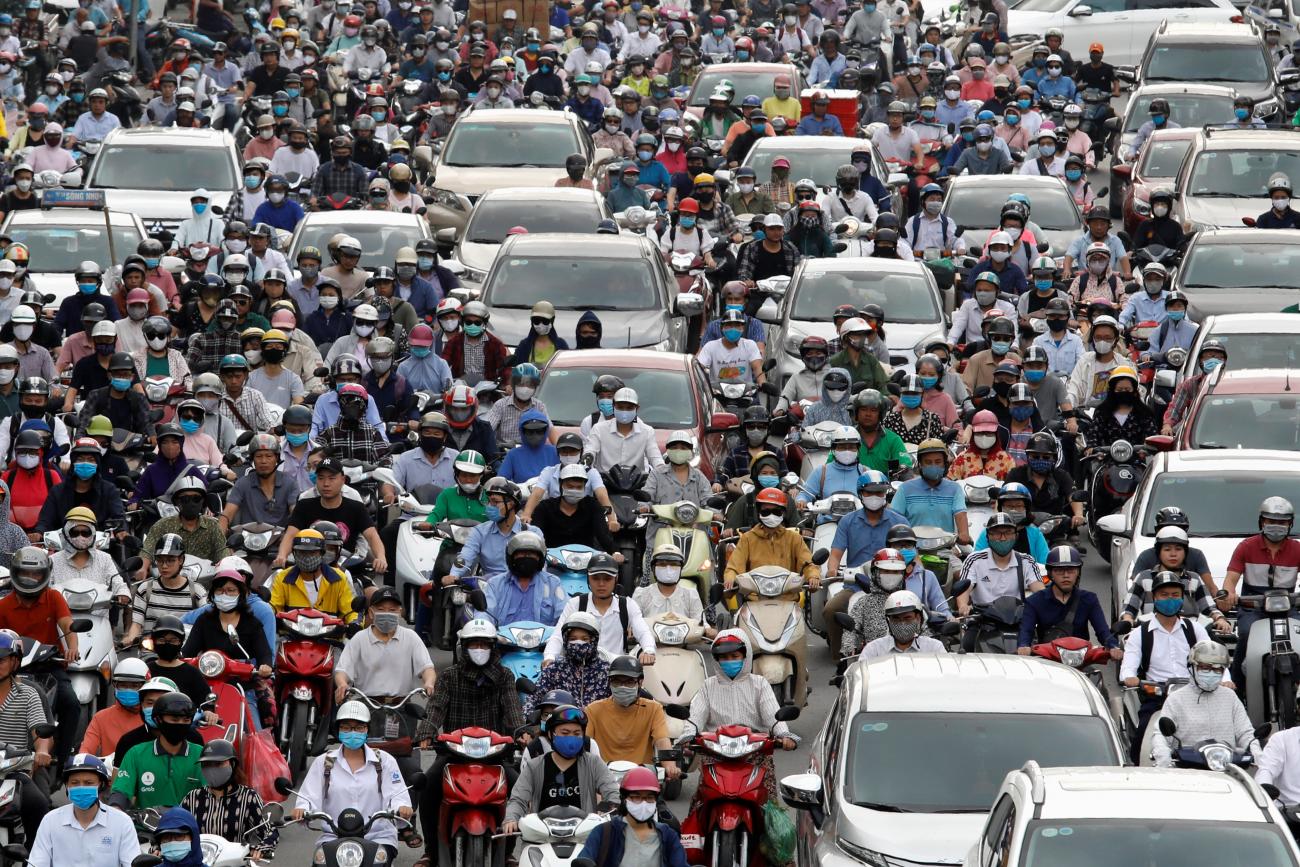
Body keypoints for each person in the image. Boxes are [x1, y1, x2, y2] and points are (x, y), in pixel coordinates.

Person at [416, 618, 525, 866]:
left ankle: (507, 850)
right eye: (473, 644)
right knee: (428, 788)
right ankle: (431, 850)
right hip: (453, 755)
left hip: (496, 755)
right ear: (463, 648)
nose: (479, 649)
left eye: (484, 644)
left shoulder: (505, 677)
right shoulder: (449, 677)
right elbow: (436, 707)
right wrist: (426, 732)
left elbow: (512, 708)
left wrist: (521, 732)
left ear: (493, 648)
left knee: (519, 790)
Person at [293, 699, 413, 861]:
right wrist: (302, 809)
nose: (353, 732)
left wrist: (402, 808)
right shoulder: (324, 762)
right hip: (334, 837)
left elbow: (397, 794)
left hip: (377, 837)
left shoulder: (384, 761)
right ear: (338, 730)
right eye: (346, 727)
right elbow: (308, 797)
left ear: (367, 730)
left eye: (359, 727)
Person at [0, 546, 80, 764]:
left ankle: (64, 762)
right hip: (11, 667)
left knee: (71, 703)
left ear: (45, 574)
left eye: (36, 573)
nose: (30, 578)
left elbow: (68, 625)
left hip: (49, 666)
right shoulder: (3, 605)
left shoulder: (53, 597)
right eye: (25, 573)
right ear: (15, 573)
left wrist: (73, 646)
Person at [1120, 570, 1210, 762]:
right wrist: (1130, 677)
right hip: (1157, 697)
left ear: (1182, 598)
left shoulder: (1195, 629)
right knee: (1142, 739)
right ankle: (1138, 767)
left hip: (1196, 694)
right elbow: (1128, 666)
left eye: (1175, 595)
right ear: (1154, 597)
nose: (1170, 599)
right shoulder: (1140, 634)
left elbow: (1212, 658)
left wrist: (1226, 680)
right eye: (1164, 595)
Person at [502, 704, 619, 834]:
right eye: (565, 733)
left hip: (583, 838)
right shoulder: (534, 766)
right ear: (551, 734)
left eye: (577, 733)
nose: (571, 738)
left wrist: (613, 810)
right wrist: (511, 818)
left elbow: (613, 792)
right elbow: (518, 799)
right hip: (541, 839)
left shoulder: (594, 763)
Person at [1222, 497, 1300, 689]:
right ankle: (1236, 687)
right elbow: (1231, 579)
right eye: (1271, 521)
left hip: (1287, 605)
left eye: (1282, 522)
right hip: (1253, 606)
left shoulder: (1297, 549)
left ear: (1290, 524)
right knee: (1247, 633)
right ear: (1262, 522)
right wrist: (1228, 594)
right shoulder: (1246, 547)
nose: (1276, 526)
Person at [1151, 640, 1257, 768]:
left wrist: (1256, 751)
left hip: (1227, 770)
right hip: (1187, 770)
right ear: (1192, 667)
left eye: (1217, 670)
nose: (1211, 673)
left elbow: (1245, 732)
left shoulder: (1230, 697)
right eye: (1205, 668)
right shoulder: (1176, 699)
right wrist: (1163, 756)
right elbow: (1161, 735)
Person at [275, 457, 386, 577]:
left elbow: (372, 536)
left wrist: (380, 558)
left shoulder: (356, 507)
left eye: (332, 478)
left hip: (347, 569)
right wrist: (282, 555)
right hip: (308, 569)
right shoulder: (304, 505)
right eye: (321, 478)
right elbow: (290, 534)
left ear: (343, 480)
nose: (326, 483)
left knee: (377, 594)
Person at [29, 753, 139, 867]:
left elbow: (132, 863)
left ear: (100, 785)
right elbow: (37, 863)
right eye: (75, 783)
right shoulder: (50, 821)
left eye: (88, 783)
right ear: (66, 786)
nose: (81, 787)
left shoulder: (121, 822)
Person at [179, 739, 277, 859]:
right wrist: (160, 845)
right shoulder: (192, 798)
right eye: (207, 765)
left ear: (233, 764)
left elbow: (269, 830)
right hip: (199, 862)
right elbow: (174, 827)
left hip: (235, 862)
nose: (212, 769)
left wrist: (262, 848)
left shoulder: (248, 797)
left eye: (218, 764)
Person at [109, 691, 204, 808]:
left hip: (189, 824)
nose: (180, 724)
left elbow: (212, 793)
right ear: (158, 720)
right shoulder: (136, 753)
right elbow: (121, 791)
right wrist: (116, 808)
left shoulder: (201, 755)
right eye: (174, 720)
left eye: (186, 720)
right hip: (145, 824)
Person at [1018, 545, 1120, 653]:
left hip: (1081, 661)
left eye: (1071, 570)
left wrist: (1113, 646)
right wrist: (1024, 645)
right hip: (1047, 661)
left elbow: (1103, 631)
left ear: (1078, 572)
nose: (1066, 575)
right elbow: (1026, 630)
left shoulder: (1089, 599)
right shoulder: (1034, 601)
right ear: (1050, 573)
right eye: (1059, 570)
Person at [955, 512, 1044, 616]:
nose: (1003, 538)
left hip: (1016, 620)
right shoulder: (974, 560)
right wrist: (963, 606)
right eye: (997, 533)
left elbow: (1039, 591)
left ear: (1016, 535)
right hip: (982, 621)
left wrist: (1043, 605)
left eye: (1008, 532)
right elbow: (964, 589)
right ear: (988, 536)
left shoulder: (1027, 561)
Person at [267, 528, 357, 622]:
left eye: (312, 552)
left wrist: (354, 624)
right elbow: (272, 607)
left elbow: (352, 611)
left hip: (330, 635)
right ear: (294, 553)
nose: (307, 558)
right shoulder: (282, 578)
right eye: (302, 552)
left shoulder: (339, 579)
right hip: (289, 635)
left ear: (322, 553)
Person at [79, 658, 150, 758]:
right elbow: (86, 751)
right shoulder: (101, 718)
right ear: (115, 686)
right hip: (111, 772)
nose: (128, 690)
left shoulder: (152, 717)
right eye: (123, 685)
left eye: (135, 685)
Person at [858, 590, 948, 660]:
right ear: (888, 621)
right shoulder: (874, 650)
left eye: (907, 618)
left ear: (918, 618)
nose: (902, 623)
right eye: (896, 618)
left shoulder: (933, 648)